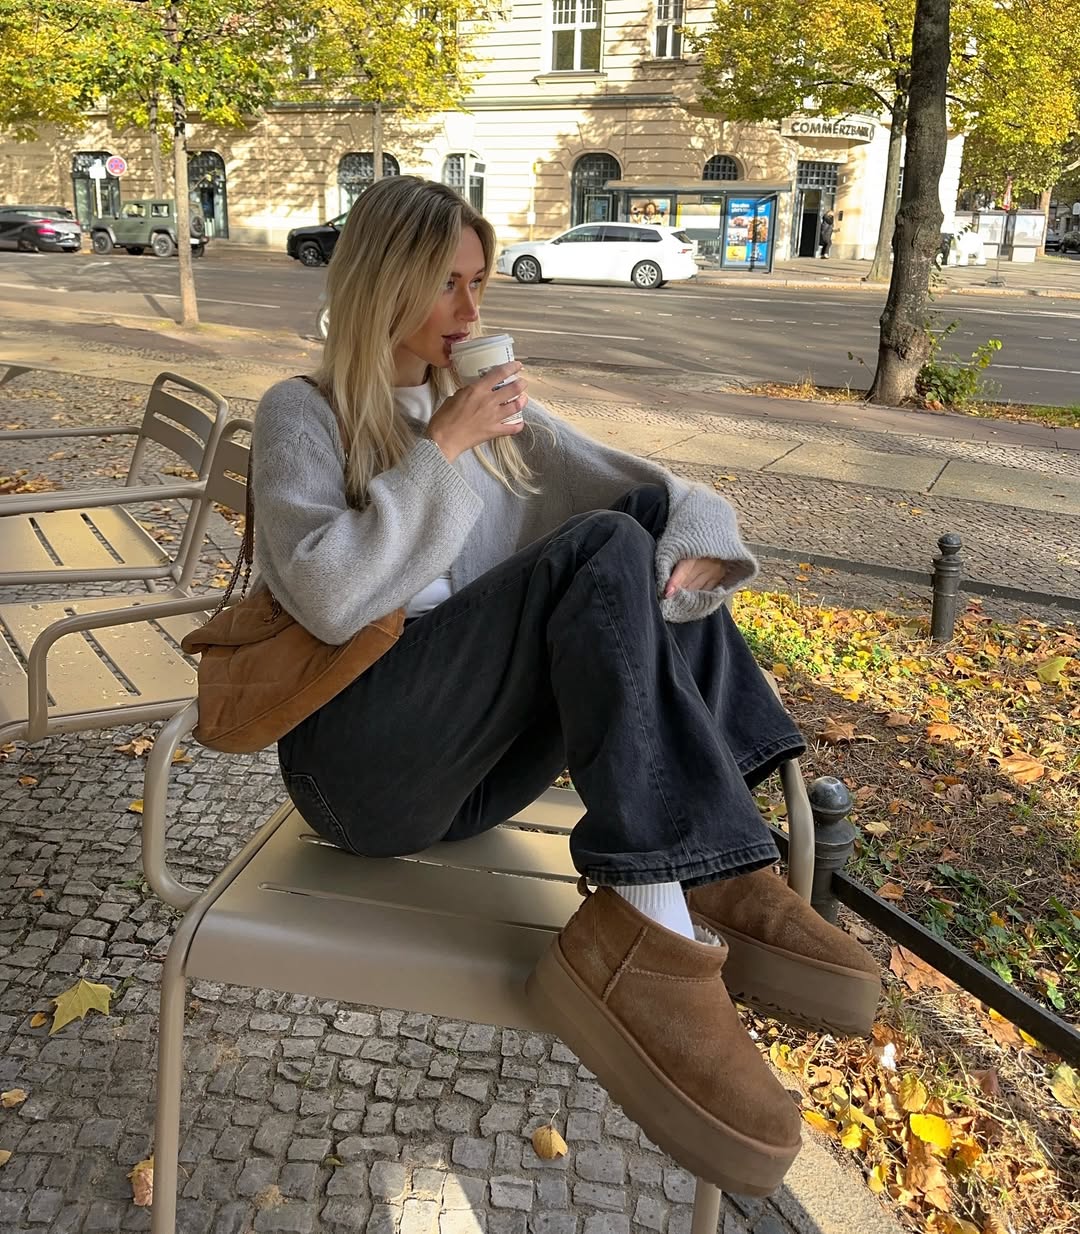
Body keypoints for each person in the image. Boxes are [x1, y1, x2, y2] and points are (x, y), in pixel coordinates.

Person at [251, 176, 880, 1196]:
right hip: (351, 770)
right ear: (384, 281)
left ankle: (725, 864)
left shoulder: (489, 411)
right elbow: (327, 593)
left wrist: (705, 552)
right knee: (600, 549)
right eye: (447, 285)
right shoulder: (304, 412)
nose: (471, 314)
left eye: (479, 285)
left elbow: (661, 491)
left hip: (469, 780)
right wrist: (445, 446)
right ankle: (653, 923)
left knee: (632, 535)